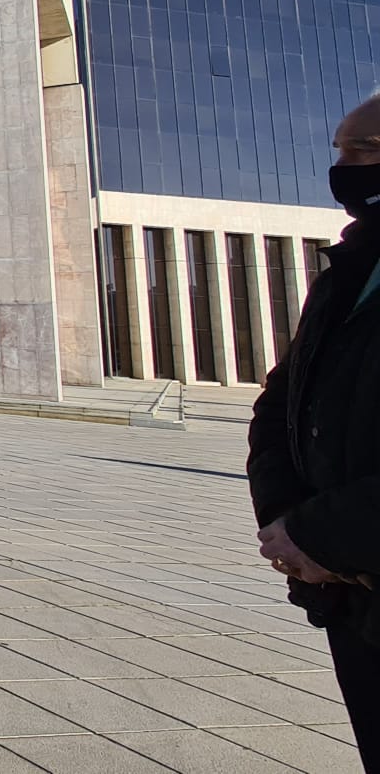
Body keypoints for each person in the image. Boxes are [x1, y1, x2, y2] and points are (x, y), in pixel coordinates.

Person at [250, 92, 380, 771]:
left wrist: (320, 534)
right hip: (350, 598)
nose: (345, 167)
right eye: (340, 150)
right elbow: (283, 400)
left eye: (366, 151)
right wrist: (285, 525)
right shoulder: (349, 270)